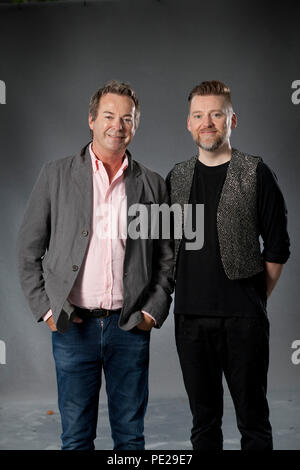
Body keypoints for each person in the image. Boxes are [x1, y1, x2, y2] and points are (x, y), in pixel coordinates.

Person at [17, 80, 174, 450]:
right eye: (108, 116)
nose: (116, 126)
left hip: (129, 328)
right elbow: (27, 252)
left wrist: (151, 312)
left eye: (126, 119)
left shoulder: (152, 185)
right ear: (91, 119)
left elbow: (167, 257)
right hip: (73, 326)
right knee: (75, 438)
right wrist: (46, 310)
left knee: (131, 438)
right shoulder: (54, 175)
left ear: (134, 126)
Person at [166, 80, 290, 450]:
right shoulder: (177, 178)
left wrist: (253, 299)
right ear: (188, 123)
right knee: (204, 424)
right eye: (199, 115)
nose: (208, 123)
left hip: (244, 322)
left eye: (216, 114)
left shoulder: (256, 173)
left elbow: (278, 247)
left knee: (253, 420)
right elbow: (168, 250)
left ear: (232, 119)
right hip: (190, 320)